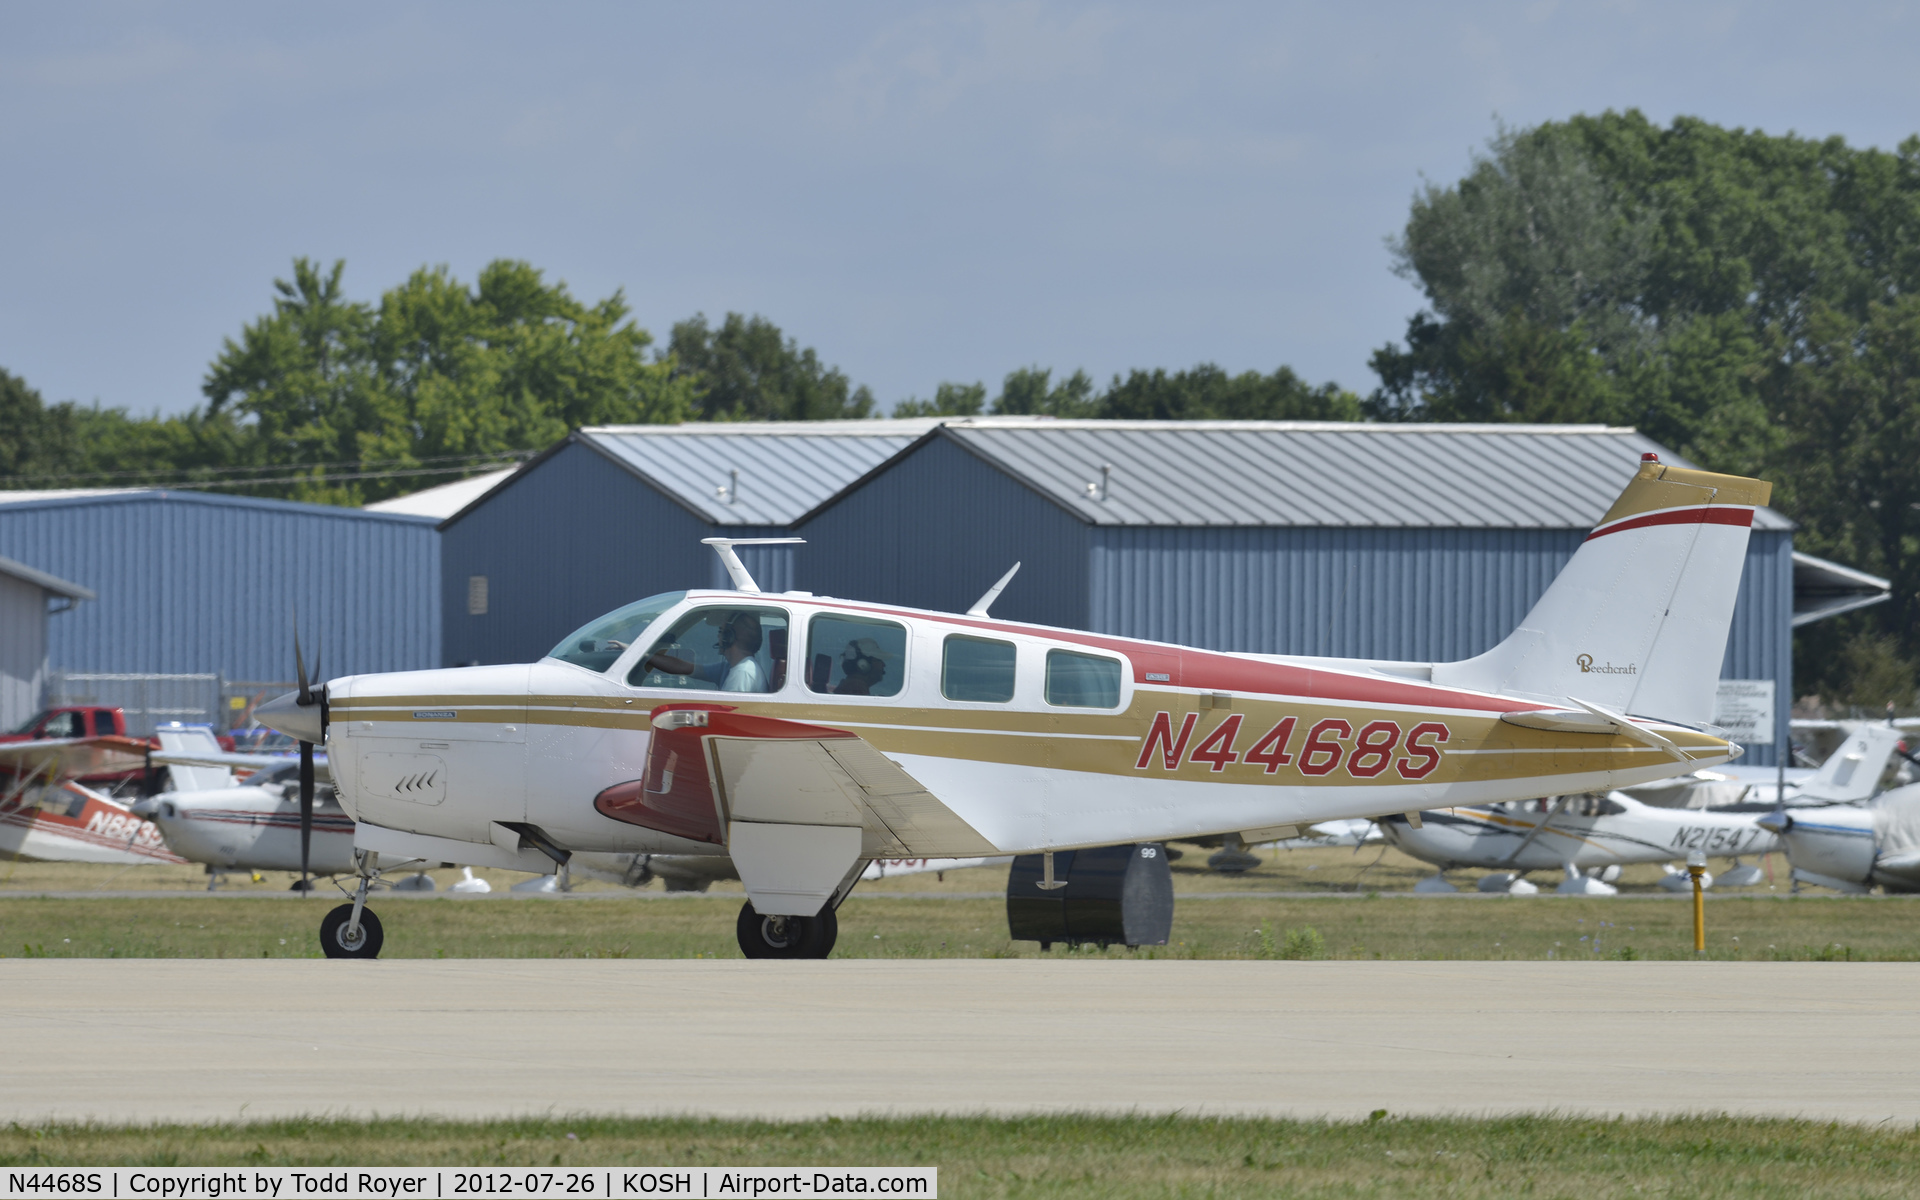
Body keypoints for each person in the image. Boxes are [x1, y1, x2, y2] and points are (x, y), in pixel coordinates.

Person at [640, 611, 768, 693]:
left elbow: (727, 716)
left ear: (729, 637)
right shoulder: (730, 668)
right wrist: (643, 655)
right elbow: (684, 668)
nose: (719, 637)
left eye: (721, 632)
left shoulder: (742, 673)